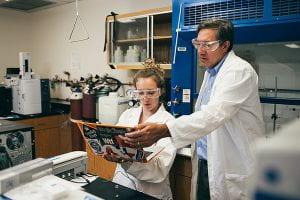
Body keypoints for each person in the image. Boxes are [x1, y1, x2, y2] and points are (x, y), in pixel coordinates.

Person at [124, 18, 265, 200]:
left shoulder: (239, 71)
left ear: (225, 45)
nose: (200, 50)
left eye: (208, 45)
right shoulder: (211, 73)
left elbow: (213, 115)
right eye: (198, 43)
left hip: (231, 165)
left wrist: (164, 130)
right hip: (207, 163)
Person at [103, 59, 176, 200]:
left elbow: (159, 170)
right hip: (122, 186)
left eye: (151, 93)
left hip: (150, 192)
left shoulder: (167, 123)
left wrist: (127, 161)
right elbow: (116, 143)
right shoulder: (128, 115)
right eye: (140, 93)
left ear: (161, 91)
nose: (145, 98)